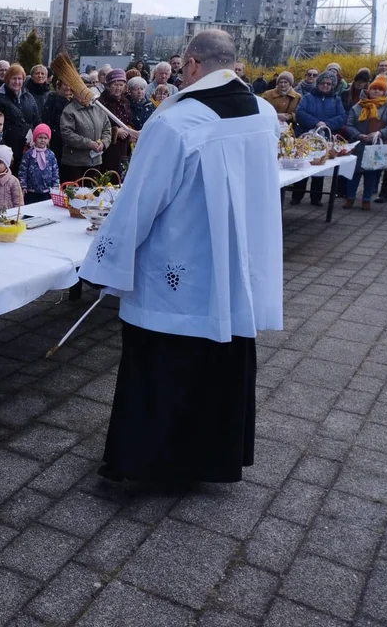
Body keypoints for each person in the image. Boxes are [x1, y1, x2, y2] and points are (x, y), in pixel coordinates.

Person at [78, 29, 283, 484]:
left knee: (163, 366)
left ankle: (146, 465)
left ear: (190, 65)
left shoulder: (175, 124)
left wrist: (102, 263)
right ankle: (212, 459)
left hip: (178, 269)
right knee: (219, 362)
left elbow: (139, 202)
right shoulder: (263, 113)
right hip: (233, 269)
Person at [291, 71, 346, 207]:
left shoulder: (336, 100)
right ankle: (297, 195)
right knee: (303, 165)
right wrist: (316, 122)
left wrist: (327, 124)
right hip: (306, 136)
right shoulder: (308, 98)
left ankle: (316, 198)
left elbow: (342, 117)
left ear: (333, 85)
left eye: (329, 83)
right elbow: (300, 113)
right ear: (318, 83)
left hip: (324, 138)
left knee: (319, 166)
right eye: (323, 83)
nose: (325, 85)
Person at [342, 75, 387, 209]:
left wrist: (380, 133)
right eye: (374, 88)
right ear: (369, 89)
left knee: (371, 173)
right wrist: (358, 135)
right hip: (359, 143)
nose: (376, 91)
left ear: (384, 92)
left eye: (380, 89)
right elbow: (349, 124)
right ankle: (350, 198)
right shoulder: (358, 106)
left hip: (376, 144)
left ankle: (366, 199)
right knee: (354, 172)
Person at [0, 62, 40, 171]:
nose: (17, 82)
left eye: (19, 79)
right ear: (7, 79)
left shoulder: (28, 97)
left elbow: (37, 120)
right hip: (6, 151)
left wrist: (36, 136)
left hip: (27, 150)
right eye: (13, 78)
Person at [60, 84, 110, 182]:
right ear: (75, 94)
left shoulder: (98, 109)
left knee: (94, 193)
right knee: (78, 194)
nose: (85, 96)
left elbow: (107, 128)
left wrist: (104, 143)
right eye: (81, 93)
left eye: (87, 93)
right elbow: (67, 134)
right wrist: (88, 143)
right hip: (75, 162)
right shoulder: (69, 111)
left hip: (95, 160)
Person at [98, 69, 135, 174]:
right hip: (108, 147)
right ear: (108, 86)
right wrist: (115, 132)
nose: (118, 88)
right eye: (115, 85)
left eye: (121, 85)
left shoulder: (125, 102)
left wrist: (129, 129)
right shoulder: (102, 102)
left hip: (123, 146)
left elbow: (129, 120)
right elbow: (98, 125)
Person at [18, 123, 59, 204]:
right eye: (40, 137)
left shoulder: (51, 155)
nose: (43, 140)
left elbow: (55, 171)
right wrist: (23, 185)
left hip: (46, 191)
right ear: (35, 138)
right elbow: (23, 170)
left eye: (45, 138)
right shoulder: (29, 154)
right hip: (31, 191)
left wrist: (55, 187)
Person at [41, 79, 73, 165]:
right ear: (59, 86)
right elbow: (46, 120)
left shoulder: (72, 102)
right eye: (65, 85)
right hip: (56, 140)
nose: (68, 88)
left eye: (70, 85)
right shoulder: (52, 100)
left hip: (68, 142)